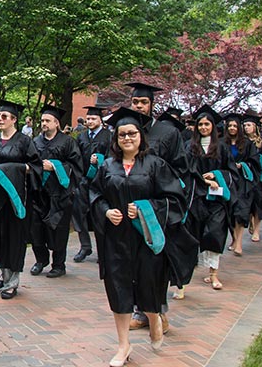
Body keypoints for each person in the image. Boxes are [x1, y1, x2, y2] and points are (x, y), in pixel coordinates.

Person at [90, 107, 186, 366]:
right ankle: (123, 346)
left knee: (149, 283)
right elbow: (93, 195)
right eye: (122, 135)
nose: (127, 138)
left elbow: (175, 199)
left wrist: (147, 208)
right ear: (116, 139)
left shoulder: (156, 165)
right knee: (118, 289)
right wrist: (106, 211)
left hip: (146, 239)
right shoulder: (108, 166)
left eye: (132, 133)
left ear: (141, 136)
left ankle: (154, 318)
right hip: (116, 238)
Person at [127, 83, 188, 331]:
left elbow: (181, 168)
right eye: (135, 102)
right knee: (132, 262)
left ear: (152, 104)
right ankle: (139, 312)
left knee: (155, 262)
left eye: (143, 102)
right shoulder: (125, 130)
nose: (139, 106)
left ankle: (158, 310)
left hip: (156, 208)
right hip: (129, 205)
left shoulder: (167, 132)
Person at [0, 101, 41, 299]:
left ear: (14, 119)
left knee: (13, 239)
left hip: (15, 199)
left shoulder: (24, 142)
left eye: (4, 116)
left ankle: (11, 281)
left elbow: (35, 167)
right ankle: (3, 270)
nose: (0, 119)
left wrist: (16, 168)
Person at [186, 104, 238, 290]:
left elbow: (232, 172)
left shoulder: (222, 148)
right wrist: (205, 181)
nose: (204, 128)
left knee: (215, 233)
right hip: (197, 197)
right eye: (200, 125)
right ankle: (188, 273)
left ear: (213, 127)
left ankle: (214, 274)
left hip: (216, 200)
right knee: (195, 234)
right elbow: (187, 171)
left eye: (207, 124)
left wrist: (217, 175)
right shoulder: (190, 147)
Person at [29, 104, 83, 278]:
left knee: (58, 231)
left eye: (47, 120)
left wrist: (55, 166)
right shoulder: (35, 142)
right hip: (38, 193)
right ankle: (40, 260)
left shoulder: (67, 142)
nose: (44, 123)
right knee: (36, 229)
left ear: (57, 123)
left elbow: (76, 167)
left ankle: (59, 264)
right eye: (42, 120)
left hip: (59, 195)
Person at [73, 105, 111, 263]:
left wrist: (100, 160)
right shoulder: (81, 137)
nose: (90, 121)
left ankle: (103, 250)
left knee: (100, 215)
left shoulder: (108, 136)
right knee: (78, 212)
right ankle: (85, 246)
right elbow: (75, 158)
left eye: (93, 118)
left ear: (100, 120)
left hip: (101, 182)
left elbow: (112, 157)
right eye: (88, 118)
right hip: (83, 180)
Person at [223, 113, 259, 257]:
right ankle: (234, 239)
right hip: (228, 181)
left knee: (241, 212)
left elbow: (255, 163)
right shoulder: (221, 144)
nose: (232, 128)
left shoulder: (248, 145)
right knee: (230, 214)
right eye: (230, 126)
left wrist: (242, 165)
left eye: (235, 126)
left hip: (243, 183)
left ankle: (238, 243)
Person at [243, 113, 262, 242]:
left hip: (260, 178)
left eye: (249, 125)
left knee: (258, 205)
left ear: (255, 127)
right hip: (247, 178)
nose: (246, 128)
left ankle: (257, 231)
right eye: (244, 125)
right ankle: (250, 221)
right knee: (247, 205)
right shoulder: (242, 143)